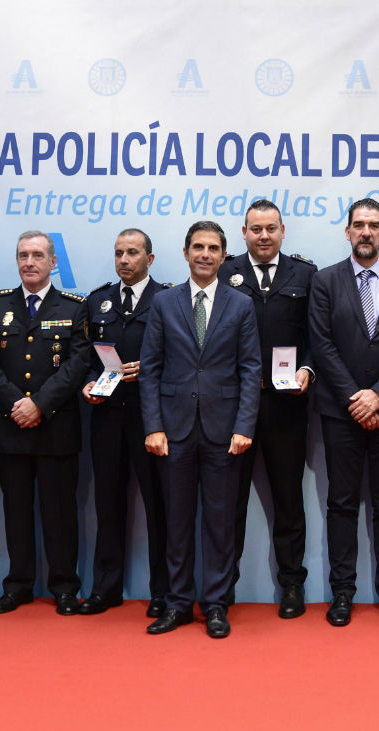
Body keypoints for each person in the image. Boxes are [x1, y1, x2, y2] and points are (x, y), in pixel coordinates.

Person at [141, 220, 261, 638]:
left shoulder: (241, 304)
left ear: (224, 255)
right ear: (187, 252)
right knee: (176, 522)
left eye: (213, 248)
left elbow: (250, 370)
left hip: (225, 431)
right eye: (198, 247)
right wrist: (153, 426)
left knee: (219, 522)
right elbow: (151, 369)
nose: (205, 254)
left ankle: (215, 605)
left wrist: (244, 425)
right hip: (172, 432)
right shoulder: (163, 302)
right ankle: (176, 604)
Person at [308, 198, 379, 627]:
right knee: (341, 504)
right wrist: (357, 397)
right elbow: (322, 345)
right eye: (359, 225)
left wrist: (378, 396)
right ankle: (342, 593)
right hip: (341, 413)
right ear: (348, 232)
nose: (366, 232)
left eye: (374, 225)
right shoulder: (325, 281)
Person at [0, 230, 89, 616]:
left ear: (53, 262)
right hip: (10, 428)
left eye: (38, 255)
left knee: (60, 513)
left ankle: (64, 587)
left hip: (56, 427)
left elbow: (77, 364)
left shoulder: (74, 307)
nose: (29, 262)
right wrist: (16, 405)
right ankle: (18, 585)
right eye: (23, 255)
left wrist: (39, 404)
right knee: (16, 512)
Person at [219, 199, 317, 618]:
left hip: (286, 408)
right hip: (233, 409)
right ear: (243, 232)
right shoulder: (223, 272)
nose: (263, 236)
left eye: (271, 229)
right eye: (255, 229)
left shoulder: (306, 275)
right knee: (228, 501)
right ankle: (223, 587)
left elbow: (318, 334)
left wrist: (308, 368)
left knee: (288, 500)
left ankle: (292, 584)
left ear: (282, 230)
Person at [79, 228, 170, 618]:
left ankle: (163, 592)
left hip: (152, 416)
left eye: (132, 253)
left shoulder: (168, 298)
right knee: (108, 504)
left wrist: (151, 371)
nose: (124, 260)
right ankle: (106, 588)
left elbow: (183, 357)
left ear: (150, 259)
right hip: (107, 415)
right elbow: (84, 356)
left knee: (160, 506)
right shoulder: (98, 301)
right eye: (119, 253)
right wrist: (87, 383)